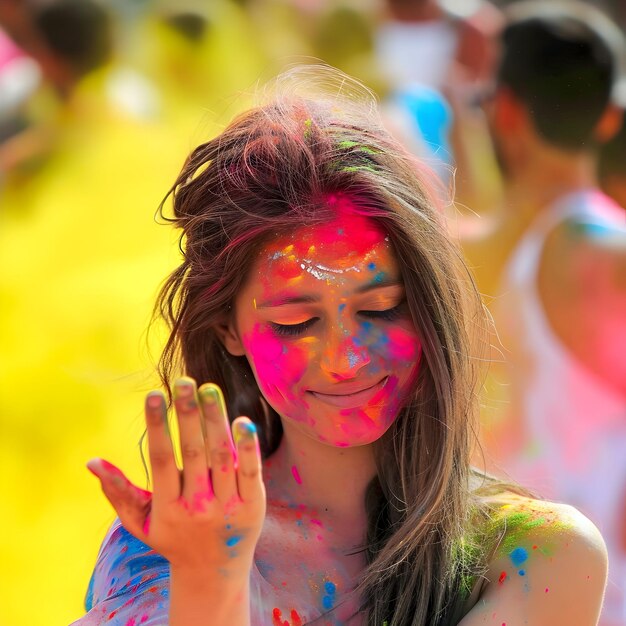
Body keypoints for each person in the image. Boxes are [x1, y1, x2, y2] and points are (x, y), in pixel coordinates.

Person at [74, 66, 608, 626]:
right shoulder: (166, 551)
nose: (346, 358)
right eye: (296, 321)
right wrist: (212, 584)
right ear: (227, 329)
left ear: (429, 306)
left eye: (380, 309)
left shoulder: (536, 555)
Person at [456, 3, 626, 625]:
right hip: (596, 581)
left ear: (504, 111)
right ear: (609, 118)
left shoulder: (455, 256)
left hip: (502, 575)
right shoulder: (601, 251)